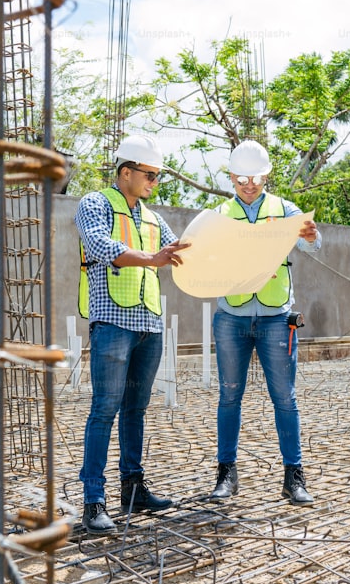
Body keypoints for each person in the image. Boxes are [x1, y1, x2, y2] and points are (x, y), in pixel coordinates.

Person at [74, 133, 191, 535]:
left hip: (148, 326)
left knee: (135, 410)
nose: (154, 183)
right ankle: (93, 501)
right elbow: (100, 245)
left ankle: (133, 487)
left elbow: (176, 249)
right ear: (126, 172)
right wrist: (152, 258)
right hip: (112, 323)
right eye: (150, 175)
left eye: (157, 177)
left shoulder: (153, 217)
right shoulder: (95, 204)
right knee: (104, 409)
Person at [207, 140, 320, 506]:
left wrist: (311, 235)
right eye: (241, 178)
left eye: (254, 177)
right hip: (231, 317)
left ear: (266, 174)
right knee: (229, 397)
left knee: (284, 400)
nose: (249, 184)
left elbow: (314, 244)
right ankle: (226, 475)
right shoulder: (219, 214)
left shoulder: (284, 210)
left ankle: (294, 476)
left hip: (275, 318)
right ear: (231, 177)